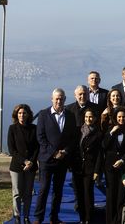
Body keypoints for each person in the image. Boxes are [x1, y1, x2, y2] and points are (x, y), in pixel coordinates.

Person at [33, 88, 77, 224]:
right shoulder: (43, 114)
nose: (59, 101)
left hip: (62, 160)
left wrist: (65, 152)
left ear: (65, 99)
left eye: (61, 98)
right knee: (44, 189)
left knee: (58, 191)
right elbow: (40, 137)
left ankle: (54, 218)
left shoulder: (70, 115)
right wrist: (54, 153)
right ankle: (38, 218)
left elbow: (73, 138)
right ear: (52, 99)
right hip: (46, 160)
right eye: (56, 98)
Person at [98, 106, 125, 224]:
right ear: (116, 118)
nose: (121, 119)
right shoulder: (110, 129)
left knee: (121, 196)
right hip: (110, 167)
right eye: (119, 117)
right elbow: (104, 146)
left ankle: (118, 221)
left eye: (124, 117)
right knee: (111, 196)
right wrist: (111, 133)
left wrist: (122, 160)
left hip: (123, 167)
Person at [8, 104, 39, 224]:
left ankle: (26, 217)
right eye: (20, 113)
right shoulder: (12, 128)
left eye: (24, 113)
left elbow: (37, 147)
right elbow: (12, 150)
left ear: (28, 115)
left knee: (28, 193)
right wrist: (24, 161)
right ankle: (17, 216)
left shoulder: (34, 128)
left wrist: (31, 161)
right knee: (17, 193)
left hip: (30, 167)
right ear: (16, 114)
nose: (22, 115)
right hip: (16, 167)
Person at [72, 108, 103, 224]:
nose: (88, 119)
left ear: (95, 118)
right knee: (79, 194)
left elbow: (100, 154)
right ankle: (81, 218)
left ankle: (88, 219)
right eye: (86, 117)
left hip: (90, 168)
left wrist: (97, 171)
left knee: (88, 194)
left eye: (90, 117)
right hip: (78, 167)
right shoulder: (78, 131)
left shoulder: (98, 133)